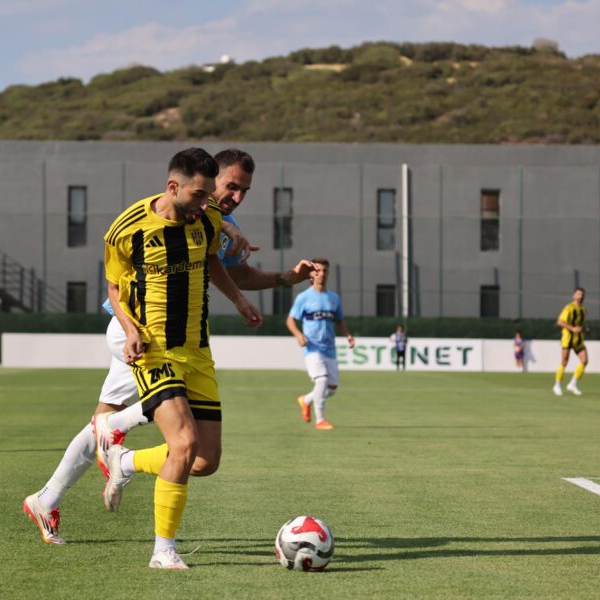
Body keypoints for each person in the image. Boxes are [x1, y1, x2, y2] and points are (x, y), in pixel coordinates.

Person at [23, 149, 317, 548]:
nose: (236, 197)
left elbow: (232, 271)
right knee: (165, 426)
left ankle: (49, 498)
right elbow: (147, 242)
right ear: (208, 181)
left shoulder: (213, 215)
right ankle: (124, 464)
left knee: (104, 423)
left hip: (165, 335)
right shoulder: (189, 207)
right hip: (142, 330)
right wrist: (228, 233)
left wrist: (279, 279)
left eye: (245, 191)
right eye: (231, 187)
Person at [286, 258, 355, 430]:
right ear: (312, 274)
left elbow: (339, 320)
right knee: (322, 380)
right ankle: (320, 420)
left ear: (328, 273)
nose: (321, 274)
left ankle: (306, 400)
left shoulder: (334, 298)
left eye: (324, 271)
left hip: (329, 348)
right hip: (312, 347)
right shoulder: (304, 297)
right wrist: (298, 335)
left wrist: (348, 335)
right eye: (318, 271)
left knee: (331, 388)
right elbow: (290, 320)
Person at [553, 287, 588, 396]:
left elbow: (579, 324)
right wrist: (572, 329)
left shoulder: (584, 310)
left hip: (578, 339)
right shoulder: (569, 308)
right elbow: (560, 321)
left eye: (582, 294)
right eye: (578, 294)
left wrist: (583, 329)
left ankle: (572, 384)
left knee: (584, 360)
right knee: (564, 361)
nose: (580, 296)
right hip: (568, 338)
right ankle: (557, 385)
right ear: (574, 296)